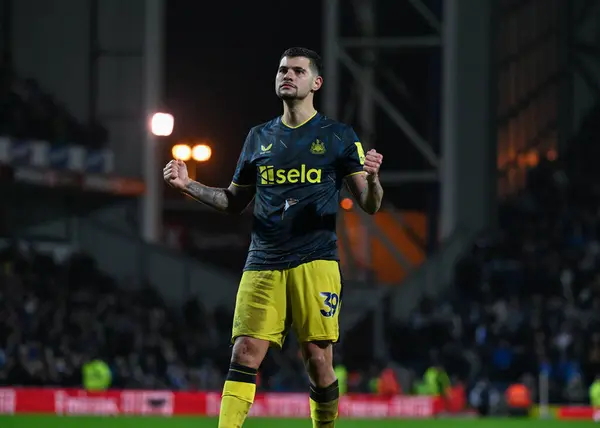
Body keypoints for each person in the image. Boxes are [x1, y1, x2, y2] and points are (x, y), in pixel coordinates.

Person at [163, 47, 384, 428]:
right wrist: (188, 185)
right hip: (262, 261)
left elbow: (369, 203)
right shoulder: (258, 137)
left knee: (317, 361)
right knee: (244, 351)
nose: (287, 75)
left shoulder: (338, 137)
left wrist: (375, 179)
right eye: (283, 70)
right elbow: (234, 201)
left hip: (316, 261)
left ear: (316, 83)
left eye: (298, 71)